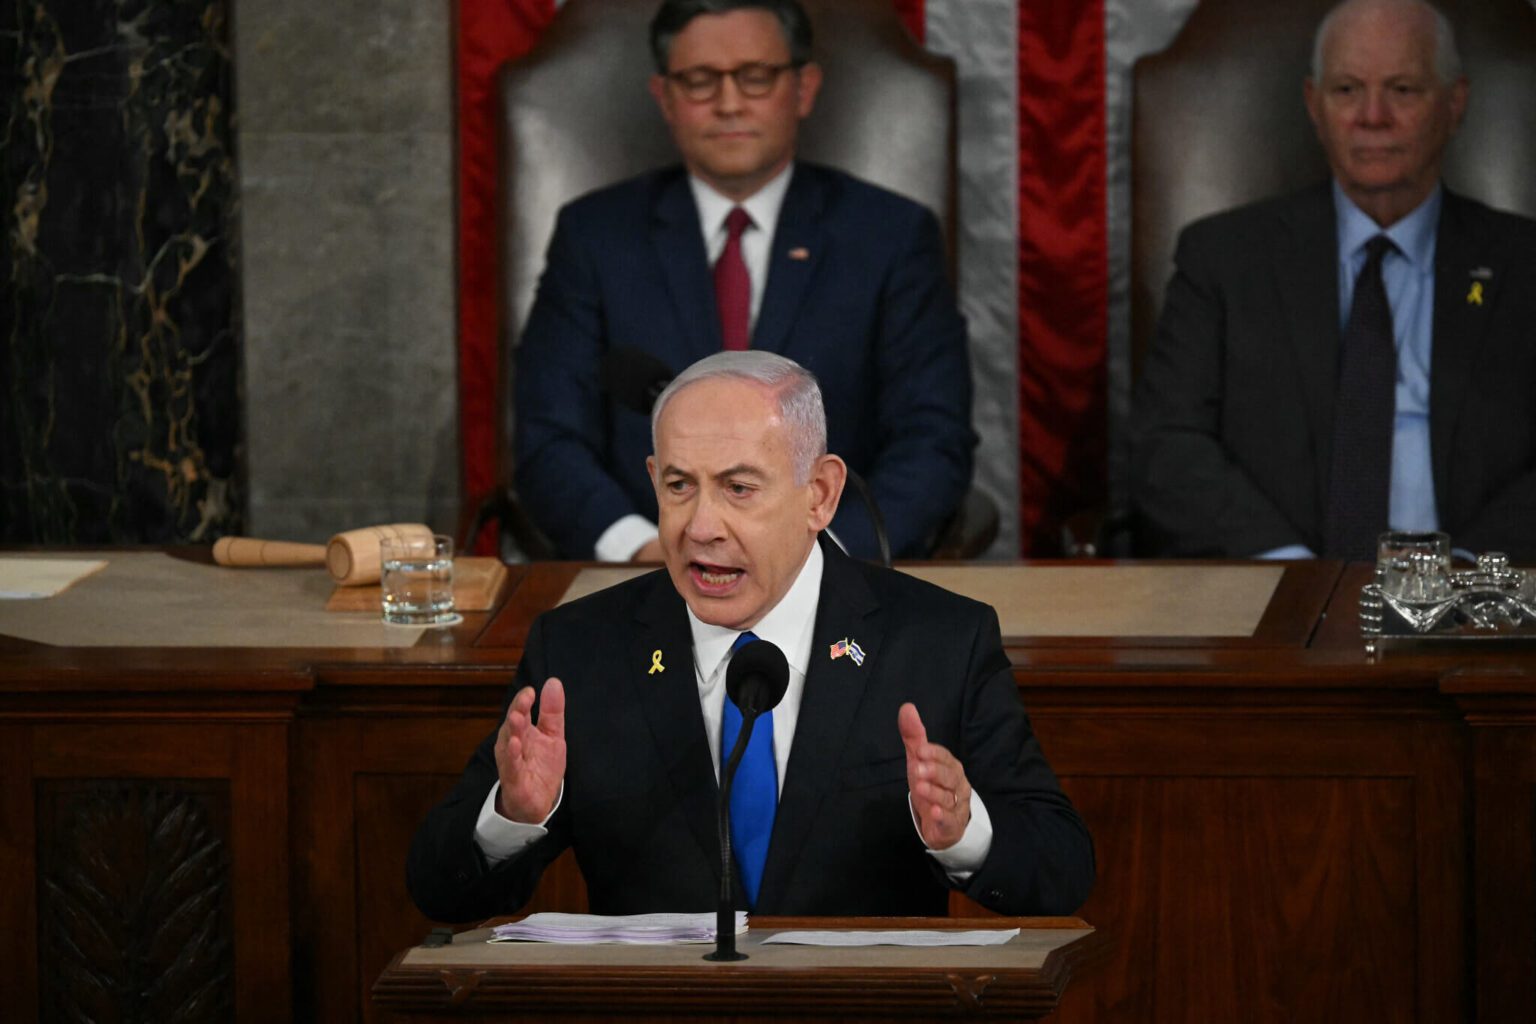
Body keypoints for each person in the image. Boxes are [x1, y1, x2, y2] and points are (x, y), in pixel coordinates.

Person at [409, 351, 1092, 922]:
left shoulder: (938, 642)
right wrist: (515, 815)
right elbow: (437, 886)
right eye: (680, 486)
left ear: (819, 495)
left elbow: (1061, 870)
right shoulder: (582, 650)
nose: (701, 526)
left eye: (738, 488)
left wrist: (963, 832)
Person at [512, 0, 975, 564]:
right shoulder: (595, 236)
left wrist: (822, 560)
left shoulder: (890, 236)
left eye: (755, 78)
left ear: (804, 88)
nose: (729, 104)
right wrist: (639, 547)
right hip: (645, 581)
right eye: (701, 81)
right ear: (666, 98)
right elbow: (548, 438)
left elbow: (933, 442)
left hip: (835, 581)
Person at [1130, 0, 1536, 561]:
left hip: (1477, 608)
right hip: (1275, 600)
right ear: (1313, 106)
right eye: (1346, 89)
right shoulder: (1223, 258)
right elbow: (1166, 447)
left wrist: (1464, 578)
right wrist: (1289, 575)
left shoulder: (1524, 264)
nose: (1373, 116)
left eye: (1402, 90)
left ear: (1454, 103)